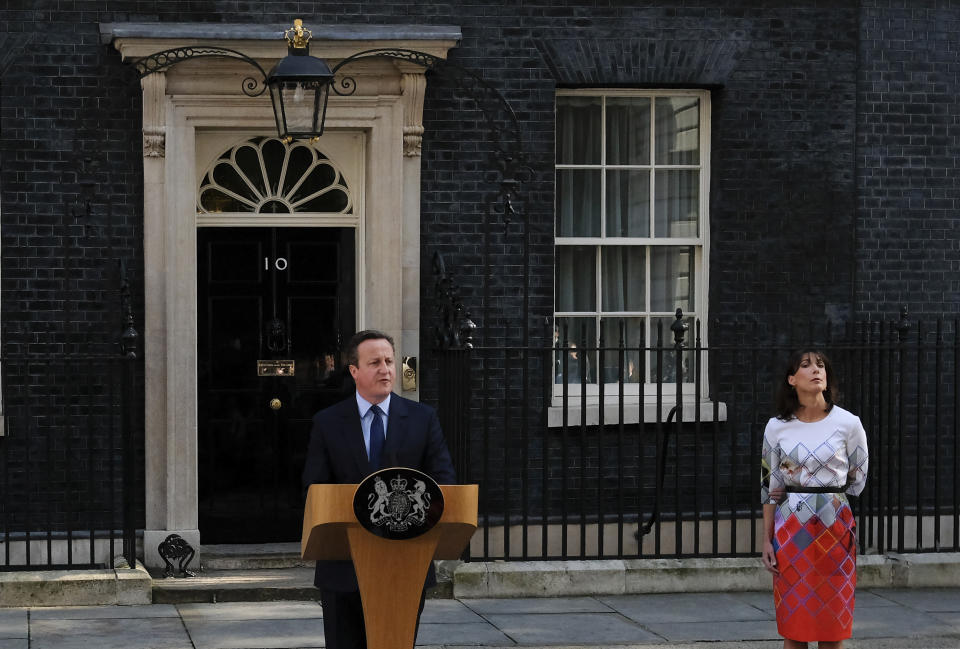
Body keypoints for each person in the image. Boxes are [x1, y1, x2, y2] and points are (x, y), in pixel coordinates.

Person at [301, 329, 456, 649]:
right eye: (374, 362)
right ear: (354, 371)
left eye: (389, 360)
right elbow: (314, 489)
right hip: (343, 566)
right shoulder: (327, 422)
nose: (385, 369)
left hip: (406, 563)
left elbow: (444, 482)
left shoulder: (423, 419)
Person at [760, 350, 869, 649]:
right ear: (792, 379)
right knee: (795, 628)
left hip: (835, 530)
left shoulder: (848, 423)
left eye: (820, 365)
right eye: (806, 366)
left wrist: (829, 498)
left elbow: (858, 476)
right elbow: (770, 484)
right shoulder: (776, 427)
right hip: (790, 532)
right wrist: (767, 539)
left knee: (832, 625)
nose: (816, 370)